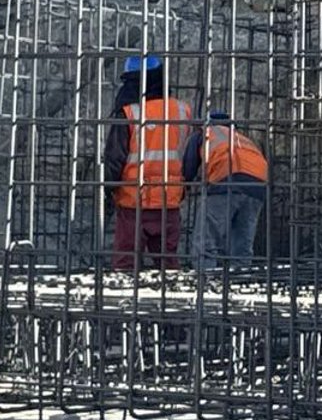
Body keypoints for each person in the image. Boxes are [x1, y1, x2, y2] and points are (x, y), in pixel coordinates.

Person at [104, 55, 201, 271]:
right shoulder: (182, 111)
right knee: (167, 264)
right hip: (169, 202)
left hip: (134, 203)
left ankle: (125, 302)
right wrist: (183, 186)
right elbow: (191, 155)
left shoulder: (130, 113)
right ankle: (169, 302)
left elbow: (114, 159)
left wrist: (106, 192)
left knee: (125, 265)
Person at [195, 111, 269, 270]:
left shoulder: (206, 133)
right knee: (242, 238)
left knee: (206, 235)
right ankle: (241, 276)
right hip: (258, 186)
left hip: (229, 179)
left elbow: (189, 163)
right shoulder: (242, 138)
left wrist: (182, 188)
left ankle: (204, 276)